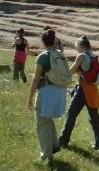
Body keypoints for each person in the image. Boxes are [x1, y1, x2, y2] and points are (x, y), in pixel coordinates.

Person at [59, 36, 99, 150]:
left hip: (82, 90)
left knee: (71, 115)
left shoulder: (81, 56)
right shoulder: (93, 55)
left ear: (81, 46)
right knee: (94, 118)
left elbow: (70, 71)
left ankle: (63, 141)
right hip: (92, 90)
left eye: (76, 46)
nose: (76, 49)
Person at [27, 30, 65, 164]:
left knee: (42, 123)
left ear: (43, 42)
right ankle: (53, 147)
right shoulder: (59, 54)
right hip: (59, 91)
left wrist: (30, 97)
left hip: (46, 91)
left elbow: (36, 79)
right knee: (48, 119)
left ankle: (46, 156)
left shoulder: (43, 56)